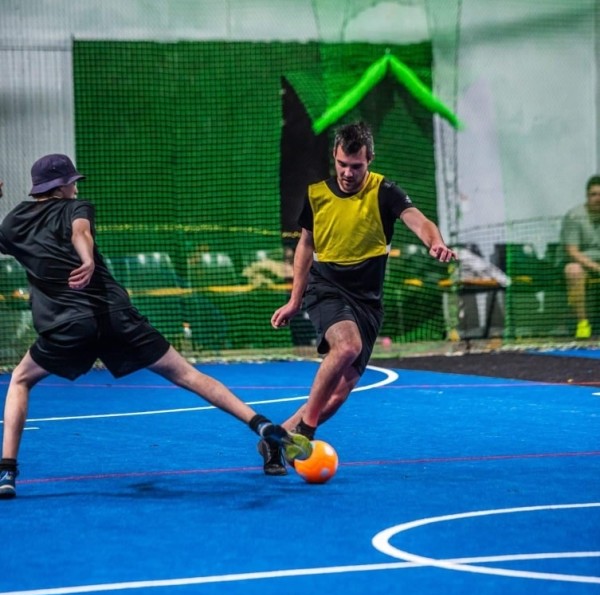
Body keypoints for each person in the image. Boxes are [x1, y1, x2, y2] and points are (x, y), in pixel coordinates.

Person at [0, 154, 310, 498]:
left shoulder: (14, 222)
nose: (76, 187)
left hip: (65, 327)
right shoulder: (76, 207)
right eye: (73, 182)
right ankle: (262, 424)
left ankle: (7, 473)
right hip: (116, 316)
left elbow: (72, 234)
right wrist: (87, 259)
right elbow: (81, 231)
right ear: (60, 187)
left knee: (21, 379)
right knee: (189, 375)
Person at [257, 121, 457, 475]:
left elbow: (419, 221)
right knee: (346, 346)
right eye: (342, 164)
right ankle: (305, 432)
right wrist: (294, 300)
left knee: (338, 393)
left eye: (357, 166)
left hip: (367, 302)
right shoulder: (317, 195)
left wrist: (435, 242)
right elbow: (306, 246)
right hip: (326, 288)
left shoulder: (386, 192)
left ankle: (276, 438)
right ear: (334, 158)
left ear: (370, 161)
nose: (348, 173)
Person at [560, 175, 600, 339]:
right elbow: (572, 251)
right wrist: (596, 267)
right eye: (594, 194)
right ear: (587, 196)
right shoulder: (575, 216)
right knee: (574, 270)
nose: (598, 199)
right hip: (580, 262)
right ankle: (582, 323)